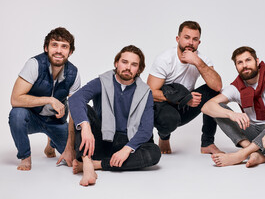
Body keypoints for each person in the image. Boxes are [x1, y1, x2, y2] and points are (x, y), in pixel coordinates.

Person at [69, 45, 161, 186]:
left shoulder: (145, 92)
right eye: (124, 62)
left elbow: (146, 129)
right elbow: (76, 99)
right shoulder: (103, 81)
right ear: (116, 63)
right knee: (84, 110)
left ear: (139, 69)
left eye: (134, 64)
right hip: (102, 140)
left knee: (154, 153)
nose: (128, 67)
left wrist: (127, 149)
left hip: (127, 142)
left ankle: (98, 164)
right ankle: (87, 164)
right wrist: (86, 127)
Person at [202, 46, 265, 167]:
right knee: (218, 109)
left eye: (248, 60)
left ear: (257, 61)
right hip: (253, 135)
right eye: (240, 62)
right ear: (236, 67)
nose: (244, 65)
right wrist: (232, 114)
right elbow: (207, 107)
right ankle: (254, 153)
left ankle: (242, 154)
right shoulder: (236, 87)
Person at [9, 27, 80, 171]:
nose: (59, 50)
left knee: (73, 158)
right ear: (46, 48)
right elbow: (15, 99)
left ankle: (51, 144)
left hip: (56, 121)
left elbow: (75, 111)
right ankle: (25, 157)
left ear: (70, 52)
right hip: (32, 118)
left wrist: (69, 147)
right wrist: (49, 100)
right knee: (17, 114)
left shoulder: (74, 73)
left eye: (64, 46)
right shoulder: (34, 64)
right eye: (54, 45)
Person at [147, 21, 223, 154]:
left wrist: (197, 62)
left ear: (199, 42)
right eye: (186, 38)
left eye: (195, 39)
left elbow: (217, 86)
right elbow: (150, 93)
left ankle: (207, 143)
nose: (190, 42)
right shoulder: (165, 59)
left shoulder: (201, 59)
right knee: (169, 119)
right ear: (178, 39)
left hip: (187, 104)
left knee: (214, 92)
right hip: (164, 106)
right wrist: (184, 98)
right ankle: (164, 136)